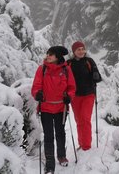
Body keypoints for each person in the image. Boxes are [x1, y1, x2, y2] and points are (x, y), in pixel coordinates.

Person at [31, 46, 76, 174]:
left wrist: (69, 96)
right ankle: (50, 163)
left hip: (61, 108)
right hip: (45, 108)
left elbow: (72, 87)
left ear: (58, 56)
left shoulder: (66, 69)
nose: (48, 56)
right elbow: (36, 86)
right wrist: (37, 94)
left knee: (60, 133)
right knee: (48, 135)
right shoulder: (42, 69)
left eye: (51, 54)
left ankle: (61, 156)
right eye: (48, 54)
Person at [67, 41, 102, 151]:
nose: (81, 51)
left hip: (88, 94)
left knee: (85, 119)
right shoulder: (69, 63)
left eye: (83, 49)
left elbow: (98, 77)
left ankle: (86, 146)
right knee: (79, 120)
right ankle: (81, 144)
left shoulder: (89, 61)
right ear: (74, 52)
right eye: (78, 49)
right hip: (75, 96)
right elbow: (64, 78)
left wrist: (96, 75)